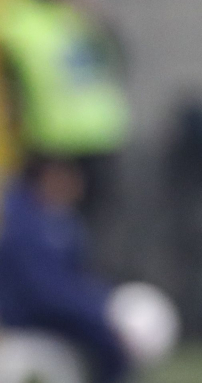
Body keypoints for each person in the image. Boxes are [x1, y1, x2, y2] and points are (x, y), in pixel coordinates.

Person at [0, 0, 130, 228]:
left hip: (99, 137)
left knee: (98, 225)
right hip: (52, 141)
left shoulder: (81, 13)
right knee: (49, 224)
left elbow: (117, 59)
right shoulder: (17, 15)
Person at [0, 156, 130, 383]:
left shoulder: (65, 221)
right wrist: (96, 312)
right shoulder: (21, 223)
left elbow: (76, 277)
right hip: (23, 326)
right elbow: (41, 290)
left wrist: (102, 304)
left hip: (54, 320)